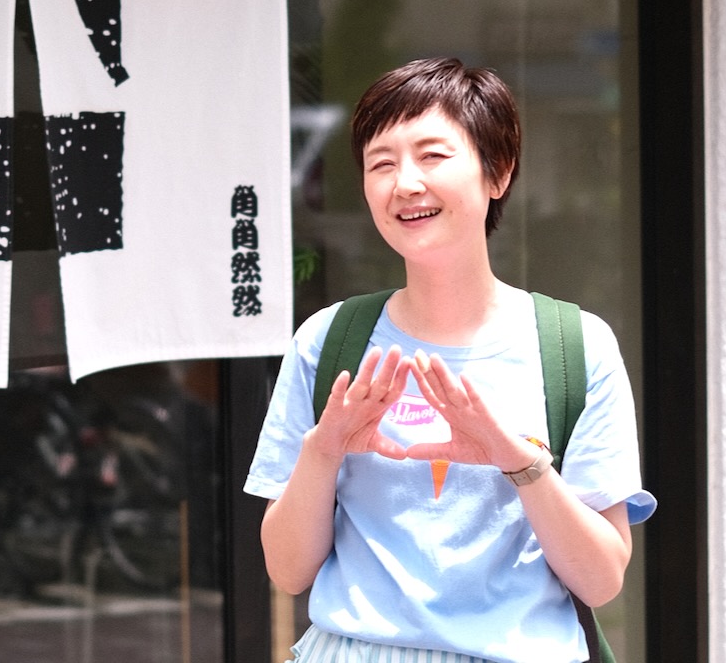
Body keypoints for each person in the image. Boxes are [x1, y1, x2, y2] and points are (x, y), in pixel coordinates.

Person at [245, 57, 655, 663]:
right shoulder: (327, 341)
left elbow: (601, 581)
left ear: (498, 172)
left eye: (432, 155)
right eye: (381, 163)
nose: (405, 183)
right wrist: (325, 449)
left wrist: (517, 462)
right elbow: (287, 570)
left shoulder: (576, 348)